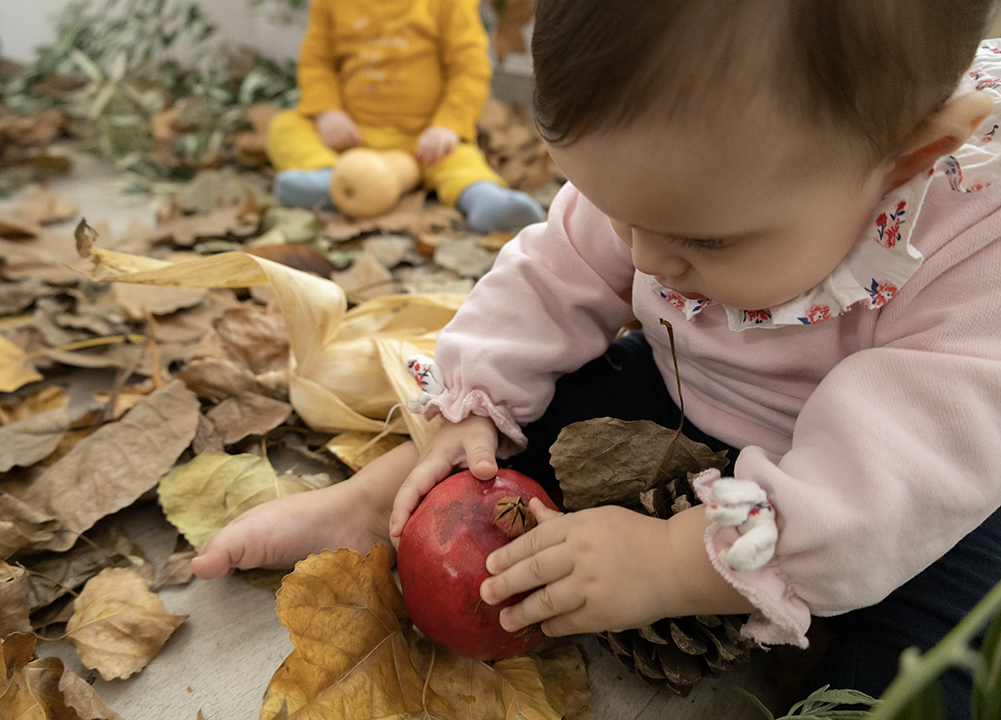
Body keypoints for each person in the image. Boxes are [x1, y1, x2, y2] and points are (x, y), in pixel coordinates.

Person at [194, 1, 1001, 715]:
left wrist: (678, 562)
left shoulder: (975, 247)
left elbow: (906, 463)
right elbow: (556, 271)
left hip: (909, 487)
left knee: (931, 636)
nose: (644, 261)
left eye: (702, 239)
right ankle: (391, 498)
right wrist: (469, 403)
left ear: (906, 160)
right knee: (553, 405)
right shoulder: (678, 187)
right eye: (617, 213)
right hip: (694, 385)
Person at [265, 0, 546, 233]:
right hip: (353, 133)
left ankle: (484, 198)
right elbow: (317, 61)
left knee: (459, 161)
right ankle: (328, 178)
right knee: (286, 127)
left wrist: (447, 126)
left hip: (425, 138)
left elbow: (469, 68)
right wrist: (328, 112)